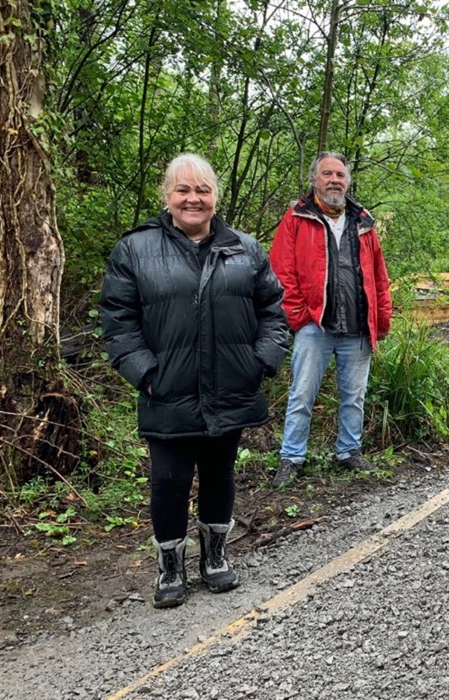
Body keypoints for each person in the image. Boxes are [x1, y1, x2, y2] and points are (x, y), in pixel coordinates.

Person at [99, 154, 289, 608]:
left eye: (202, 190)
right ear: (167, 195)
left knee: (219, 474)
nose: (193, 199)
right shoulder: (136, 249)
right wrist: (144, 374)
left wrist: (259, 362)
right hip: (168, 391)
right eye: (183, 190)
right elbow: (117, 320)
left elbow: (273, 312)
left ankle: (215, 558)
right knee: (168, 480)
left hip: (230, 388)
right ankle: (170, 567)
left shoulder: (245, 249)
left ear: (214, 197)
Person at [269, 152, 392, 487]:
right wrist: (299, 318)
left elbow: (379, 276)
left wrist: (381, 320)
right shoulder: (296, 218)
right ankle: (292, 456)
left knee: (354, 395)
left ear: (347, 181)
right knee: (302, 394)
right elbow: (281, 273)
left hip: (357, 326)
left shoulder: (363, 222)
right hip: (315, 327)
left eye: (340, 174)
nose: (334, 180)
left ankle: (349, 451)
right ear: (315, 179)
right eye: (327, 174)